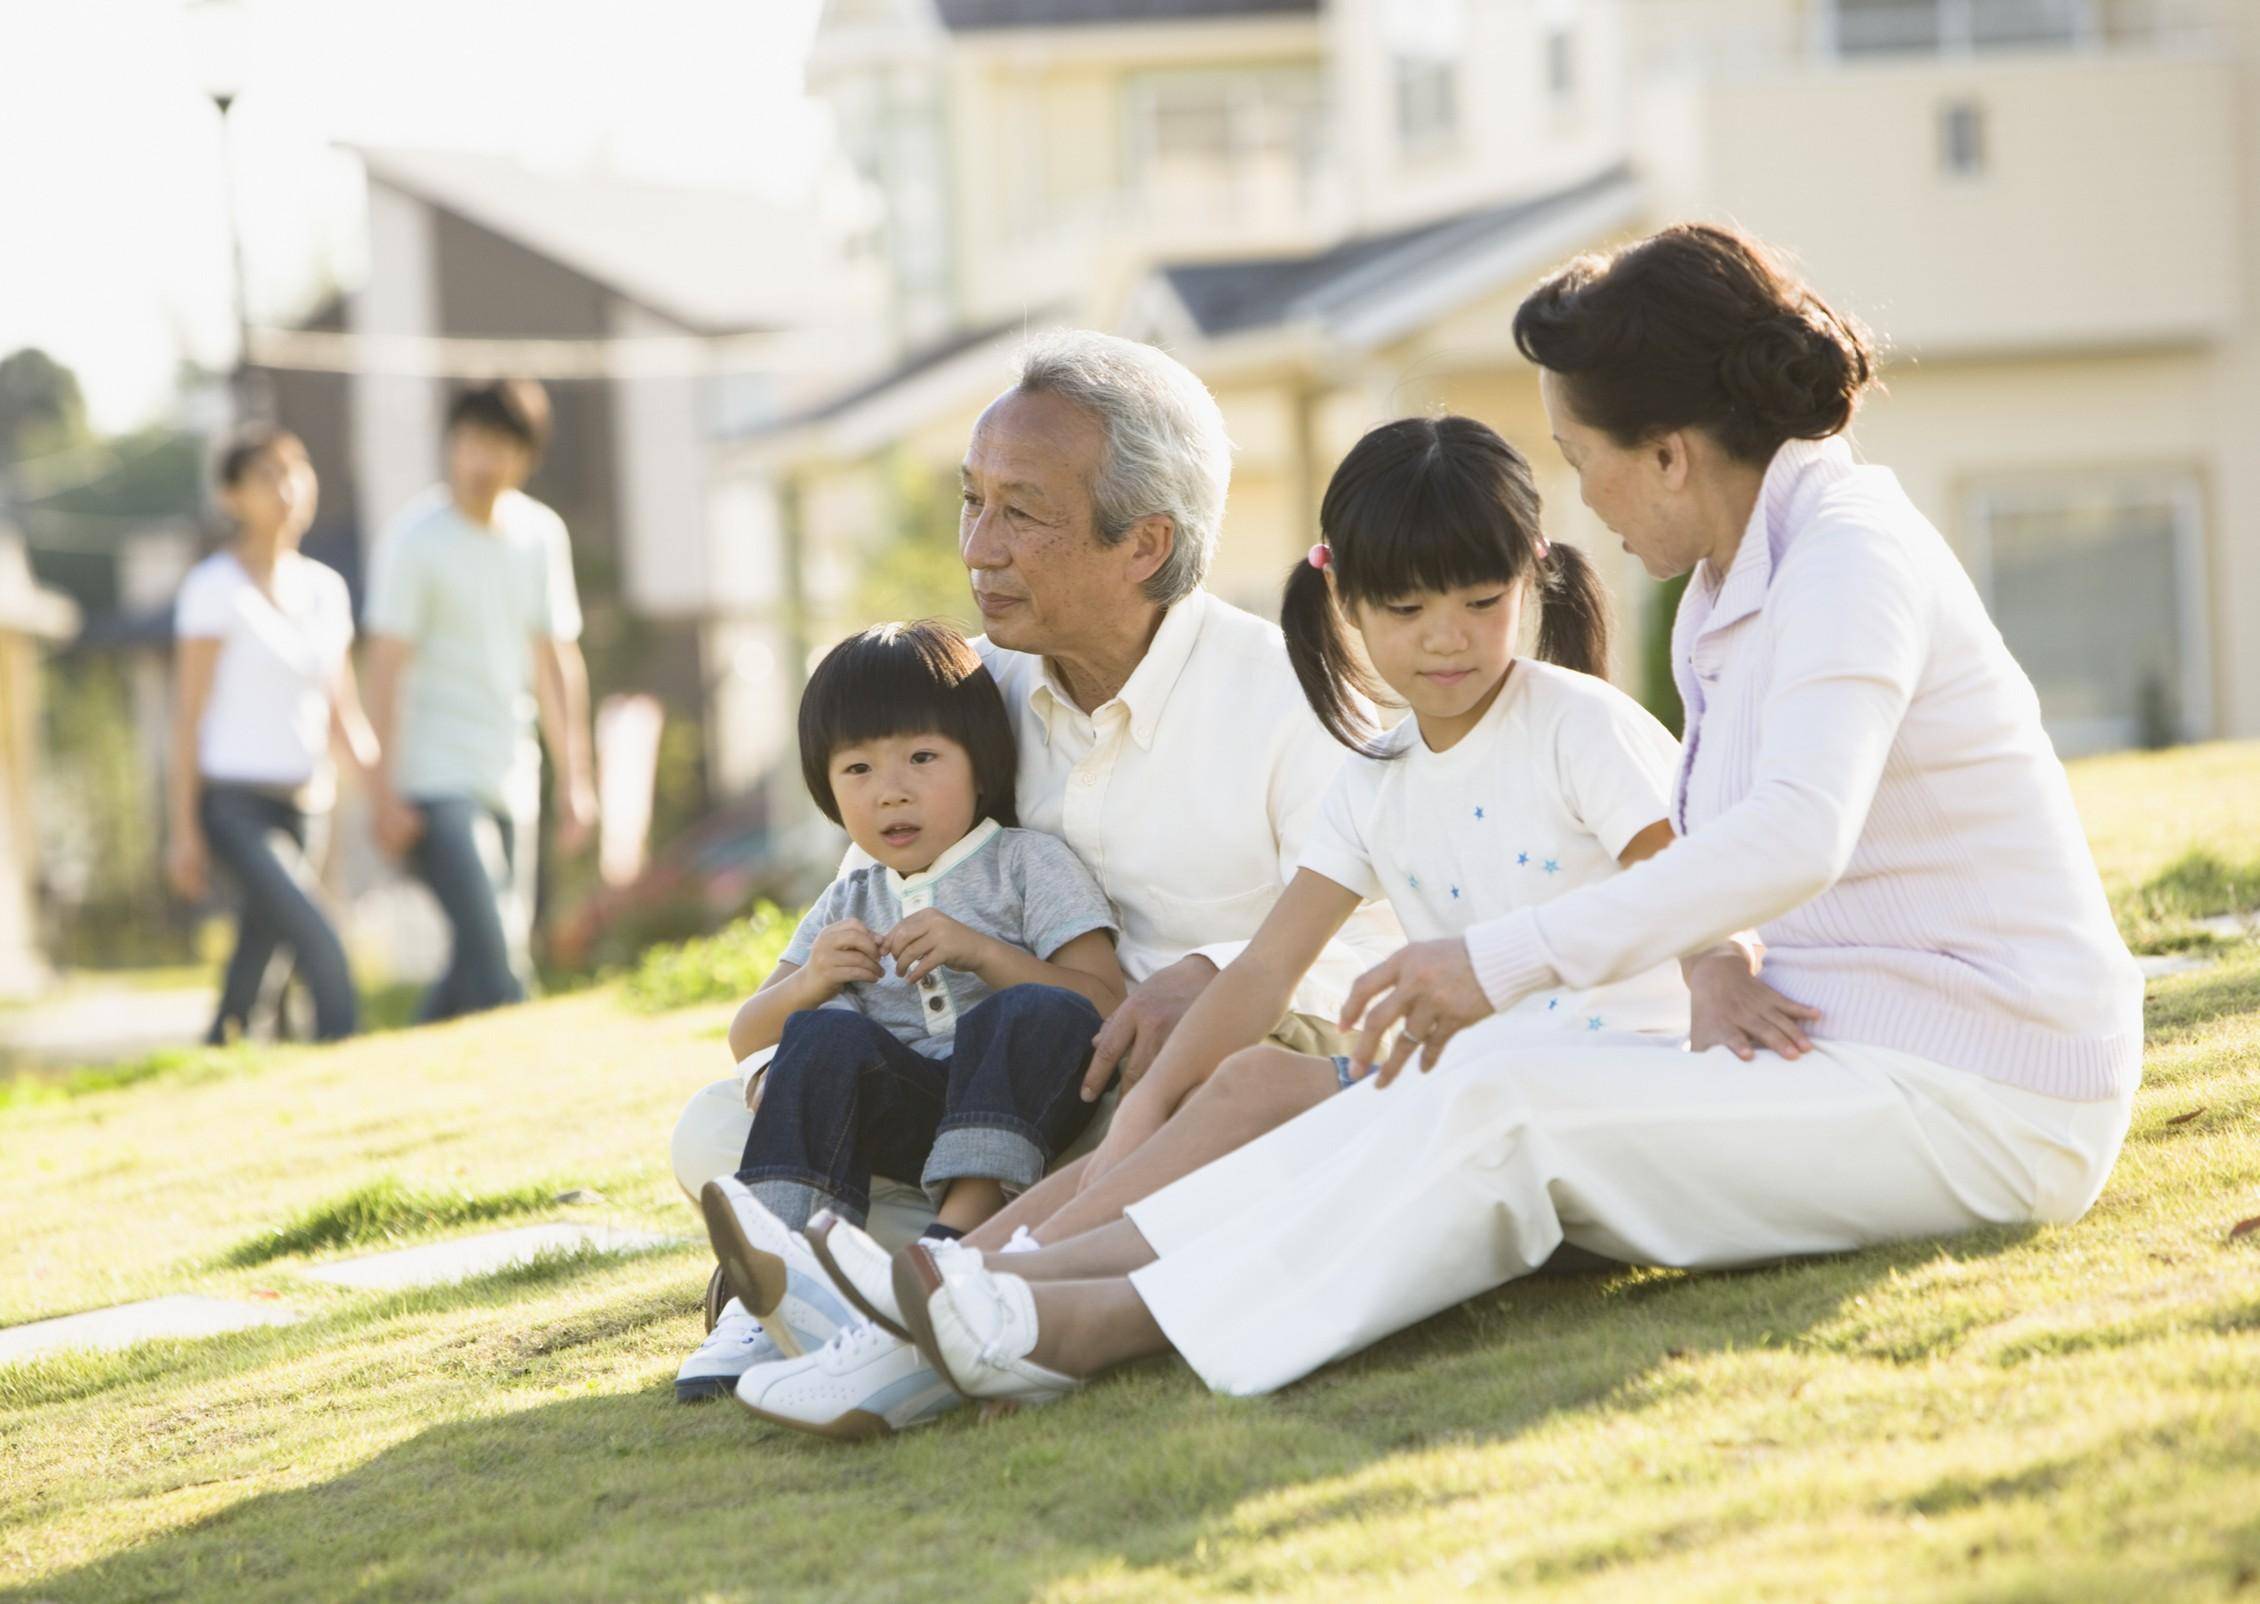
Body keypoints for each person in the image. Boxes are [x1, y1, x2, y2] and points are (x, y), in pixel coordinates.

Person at [880, 222, 2146, 1408]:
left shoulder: (1849, 554)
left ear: (1669, 451)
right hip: (1833, 1049)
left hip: (1988, 1093)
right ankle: (1014, 1283)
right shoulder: (1733, 581)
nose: (1580, 495)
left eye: (1582, 456)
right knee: (1462, 1077)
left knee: (1510, 1100)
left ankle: (1089, 1324)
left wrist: (1496, 962)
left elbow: (1793, 836)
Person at [793, 415, 1720, 1362]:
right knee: (1243, 1081)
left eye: (1482, 602)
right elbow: (1266, 970)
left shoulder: (1580, 726)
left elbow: (1695, 883)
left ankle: (989, 1294)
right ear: (1347, 602)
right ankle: (961, 1275)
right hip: (1464, 1083)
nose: (1447, 640)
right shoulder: (1377, 775)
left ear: (1531, 577)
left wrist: (1727, 980)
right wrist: (1148, 1110)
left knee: (1268, 1148)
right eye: (1406, 611)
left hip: (1591, 1083)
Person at [668, 330, 1401, 1418]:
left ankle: (894, 1287)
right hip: (998, 1101)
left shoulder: (1289, 695)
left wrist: (1216, 974)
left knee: (1238, 1103)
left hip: (1190, 1093)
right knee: (718, 1124)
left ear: (1143, 543)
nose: (979, 547)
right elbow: (880, 882)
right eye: (972, 501)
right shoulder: (971, 692)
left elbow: (1396, 933)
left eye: (1020, 512)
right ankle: (908, 1279)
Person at [695, 621, 1127, 1417]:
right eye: (858, 769)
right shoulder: (848, 898)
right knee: (819, 1032)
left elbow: (1104, 1001)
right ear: (828, 789)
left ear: (980, 764)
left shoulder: (1027, 863)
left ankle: (951, 1247)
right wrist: (809, 983)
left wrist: (985, 954)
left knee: (1031, 1007)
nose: (890, 791)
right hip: (908, 1117)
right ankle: (772, 1284)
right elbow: (746, 1035)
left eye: (922, 759)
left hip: (1029, 1109)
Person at [362, 379, 597, 1022]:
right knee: (498, 960)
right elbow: (384, 669)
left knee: (484, 956)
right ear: (450, 446)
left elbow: (556, 661)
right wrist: (381, 792)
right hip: (433, 778)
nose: (481, 460)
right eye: (469, 442)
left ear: (526, 456)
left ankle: (407, 1057)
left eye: (498, 445)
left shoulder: (540, 534)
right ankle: (535, 1058)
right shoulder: (415, 539)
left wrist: (575, 778)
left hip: (510, 770)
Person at [167, 423, 377, 1043]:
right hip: (236, 805)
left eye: (295, 471)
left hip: (307, 804)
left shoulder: (326, 590)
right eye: (266, 476)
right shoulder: (213, 589)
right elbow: (187, 717)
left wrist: (387, 793)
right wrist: (183, 831)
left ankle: (220, 1050)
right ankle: (343, 1052)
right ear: (231, 496)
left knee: (260, 958)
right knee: (320, 941)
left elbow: (343, 712)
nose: (286, 489)